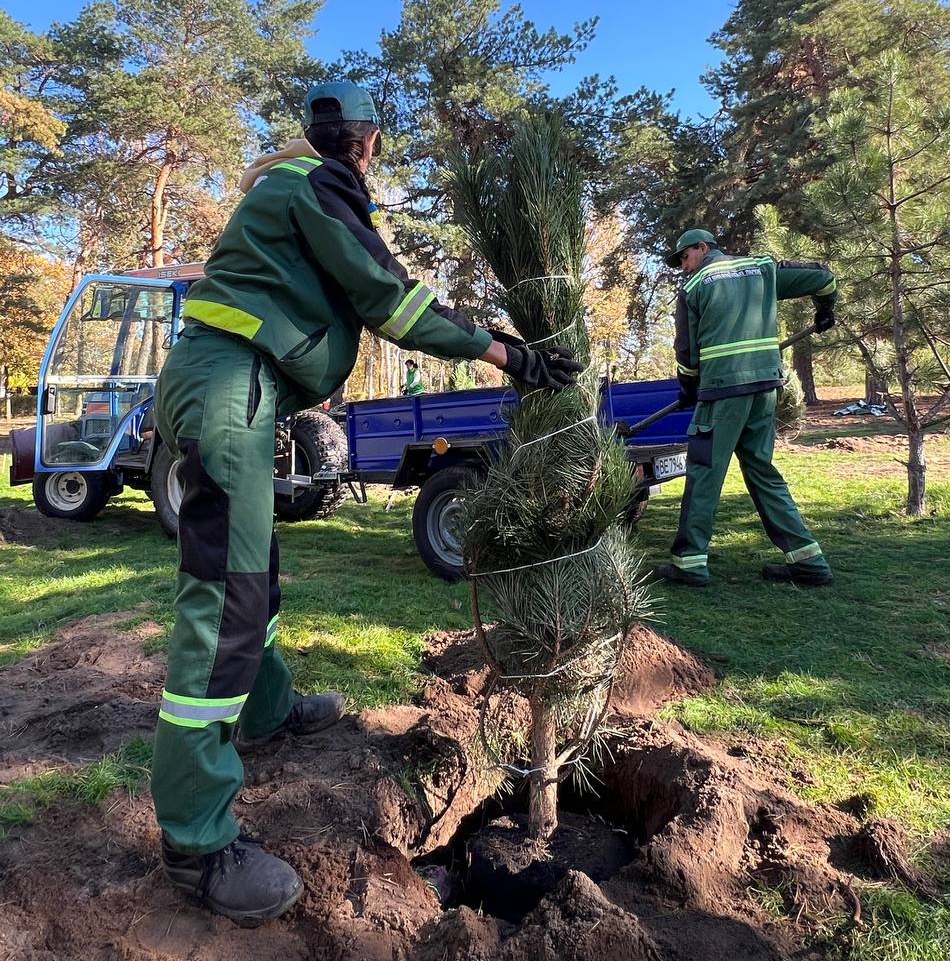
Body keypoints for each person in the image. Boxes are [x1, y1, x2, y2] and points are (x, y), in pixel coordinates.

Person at [152, 81, 581, 925]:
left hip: (237, 387)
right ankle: (194, 840)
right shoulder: (313, 186)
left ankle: (266, 712)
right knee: (225, 596)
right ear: (366, 142)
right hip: (228, 388)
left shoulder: (292, 193)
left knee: (254, 574)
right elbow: (392, 298)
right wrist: (505, 352)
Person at [654, 228, 836, 590]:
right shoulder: (762, 271)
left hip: (722, 392)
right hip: (765, 389)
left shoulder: (694, 287)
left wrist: (689, 386)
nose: (684, 268)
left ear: (702, 248)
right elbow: (823, 277)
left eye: (685, 258)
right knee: (761, 469)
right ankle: (808, 560)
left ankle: (689, 563)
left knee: (705, 471)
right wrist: (825, 310)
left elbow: (687, 353)